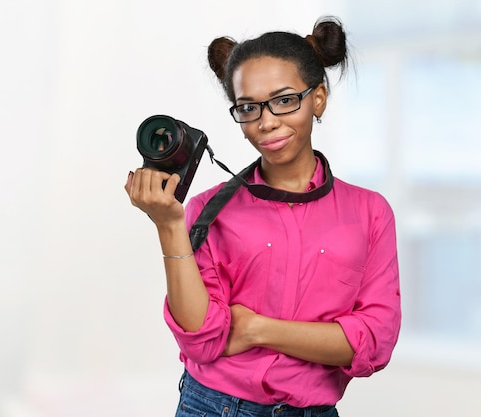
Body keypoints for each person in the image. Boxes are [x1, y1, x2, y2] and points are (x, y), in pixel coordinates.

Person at [125, 16, 401, 417]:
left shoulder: (371, 212)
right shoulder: (205, 210)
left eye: (285, 99)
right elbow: (202, 341)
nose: (266, 121)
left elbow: (374, 341)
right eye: (248, 107)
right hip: (212, 407)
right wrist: (169, 225)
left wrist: (256, 329)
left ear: (318, 98)